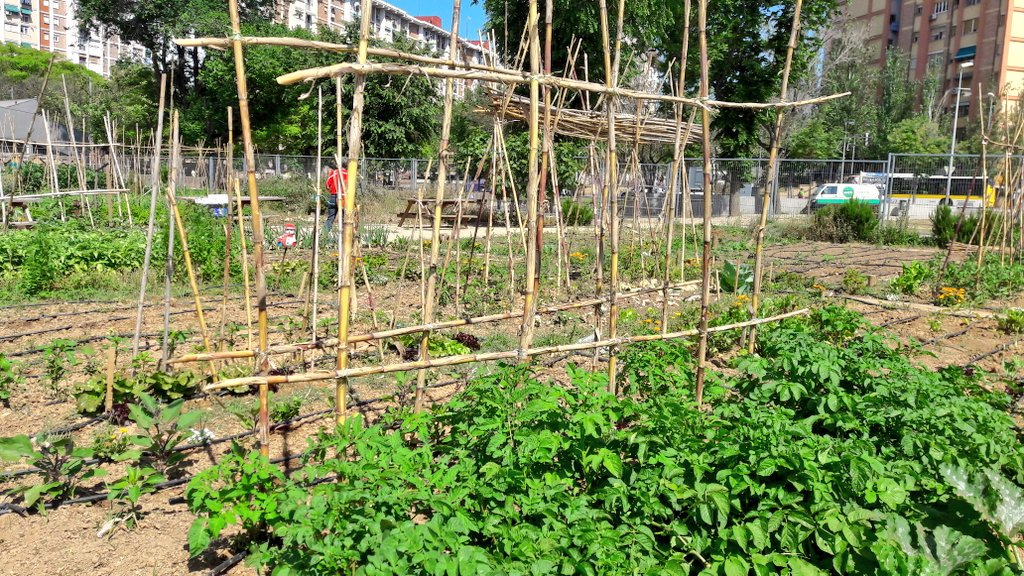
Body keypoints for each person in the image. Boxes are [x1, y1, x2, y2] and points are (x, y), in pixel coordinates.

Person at [323, 162, 348, 237]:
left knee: (330, 218)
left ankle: (324, 236)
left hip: (333, 197)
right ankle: (345, 237)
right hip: (344, 198)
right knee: (345, 219)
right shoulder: (348, 174)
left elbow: (327, 185)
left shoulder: (333, 173)